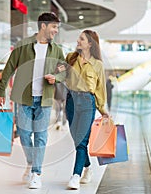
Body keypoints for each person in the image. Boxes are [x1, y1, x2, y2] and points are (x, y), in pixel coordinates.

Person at [0, 12, 66, 189]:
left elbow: (64, 69)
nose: (56, 31)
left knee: (41, 136)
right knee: (25, 134)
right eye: (54, 27)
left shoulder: (56, 49)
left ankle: (36, 173)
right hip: (23, 97)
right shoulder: (23, 45)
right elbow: (10, 67)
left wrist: (56, 77)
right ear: (43, 26)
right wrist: (0, 90)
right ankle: (31, 161)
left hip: (45, 98)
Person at [65, 30, 109, 190]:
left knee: (82, 141)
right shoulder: (71, 57)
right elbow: (61, 74)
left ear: (90, 43)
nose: (78, 41)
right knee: (77, 140)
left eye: (81, 39)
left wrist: (103, 109)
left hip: (87, 103)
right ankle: (88, 167)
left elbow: (100, 88)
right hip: (71, 101)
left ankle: (75, 176)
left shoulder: (98, 65)